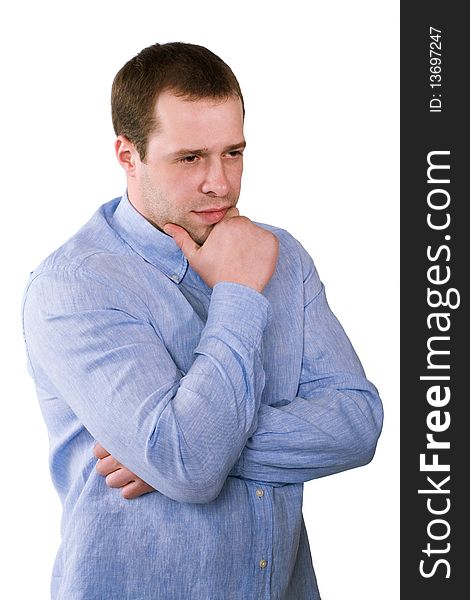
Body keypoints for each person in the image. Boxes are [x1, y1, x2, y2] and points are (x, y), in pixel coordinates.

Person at [22, 42, 384, 600]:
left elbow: (358, 425)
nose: (220, 182)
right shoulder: (75, 285)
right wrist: (238, 291)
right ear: (128, 154)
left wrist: (178, 451)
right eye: (190, 158)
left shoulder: (282, 256)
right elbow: (188, 463)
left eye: (234, 153)